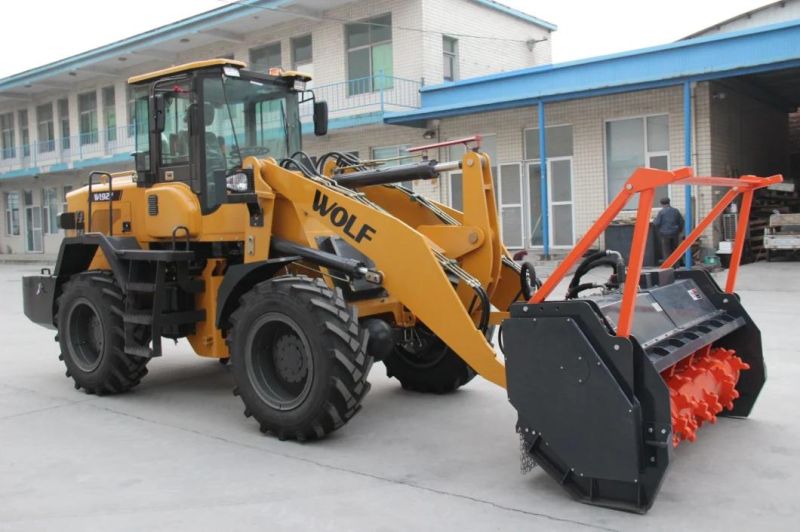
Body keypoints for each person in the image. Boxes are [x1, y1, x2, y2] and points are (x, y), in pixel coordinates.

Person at [653, 197, 684, 262]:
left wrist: (654, 220)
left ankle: (668, 265)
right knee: (675, 250)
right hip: (675, 233)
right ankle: (676, 265)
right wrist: (679, 230)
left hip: (665, 234)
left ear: (661, 204)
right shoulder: (676, 211)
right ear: (669, 202)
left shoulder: (661, 212)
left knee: (666, 251)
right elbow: (681, 221)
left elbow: (657, 223)